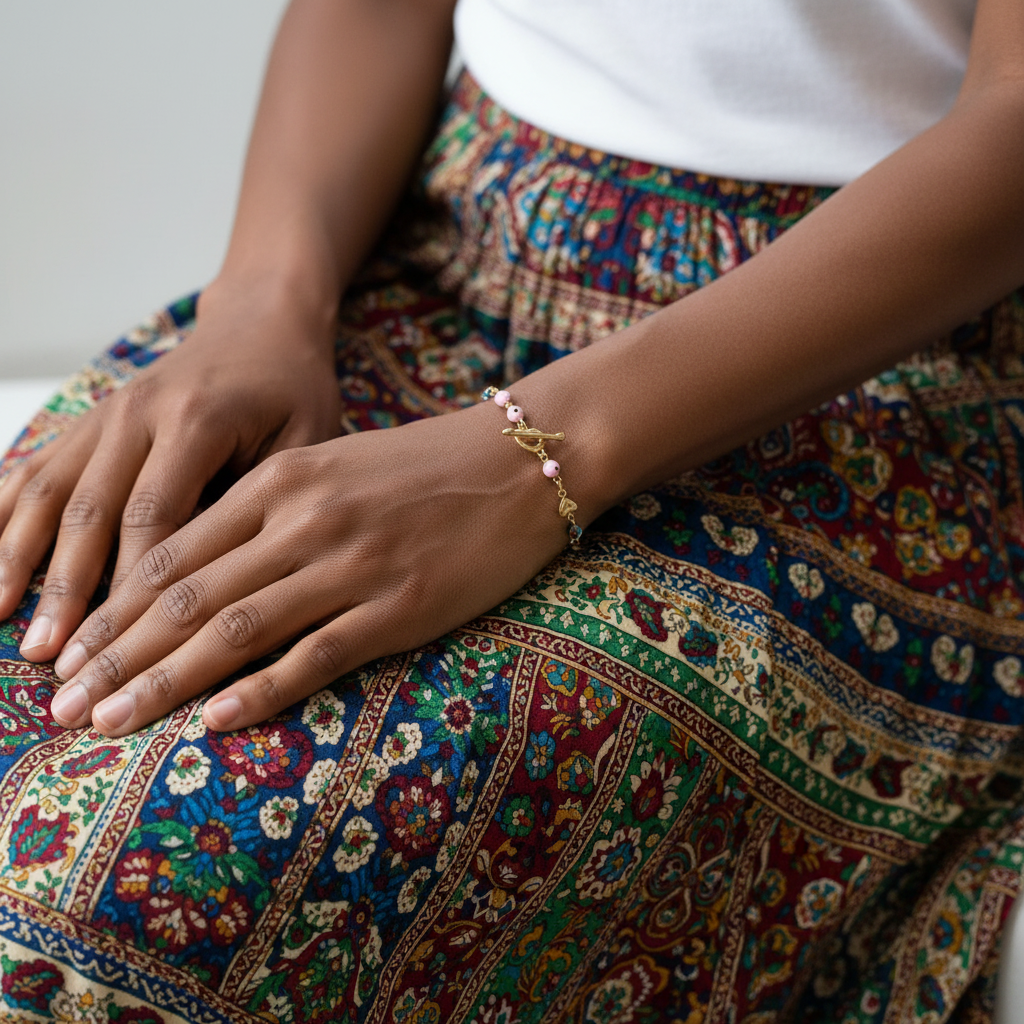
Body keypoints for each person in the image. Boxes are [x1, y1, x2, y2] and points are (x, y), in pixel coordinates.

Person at [0, 0, 1021, 1019]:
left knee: (120, 905)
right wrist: (263, 299)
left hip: (850, 366)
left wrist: (535, 456)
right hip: (429, 252)